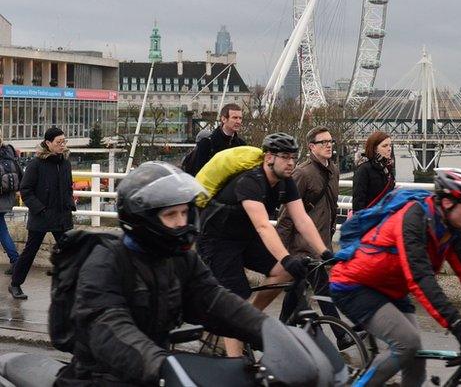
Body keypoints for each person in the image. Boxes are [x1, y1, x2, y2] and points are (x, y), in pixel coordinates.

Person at [55, 161, 269, 386]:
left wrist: (269, 330)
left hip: (155, 373)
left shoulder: (180, 260)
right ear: (142, 219)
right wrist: (163, 367)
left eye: (185, 212)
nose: (181, 223)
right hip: (101, 376)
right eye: (171, 215)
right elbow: (110, 329)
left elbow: (214, 300)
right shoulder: (105, 263)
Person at [329, 168, 461, 387]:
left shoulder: (451, 229)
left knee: (415, 354)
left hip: (392, 290)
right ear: (448, 203)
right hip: (355, 286)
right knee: (406, 345)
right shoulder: (413, 218)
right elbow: (420, 278)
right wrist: (456, 324)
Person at [196, 132, 330, 357]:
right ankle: (234, 362)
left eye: (293, 157)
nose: (290, 163)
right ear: (269, 157)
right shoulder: (250, 181)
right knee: (235, 297)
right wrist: (286, 257)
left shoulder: (286, 183)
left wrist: (324, 252)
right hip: (217, 240)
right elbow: (263, 227)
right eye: (285, 157)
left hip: (245, 239)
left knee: (284, 273)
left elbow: (302, 220)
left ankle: (245, 320)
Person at [276, 126, 340, 322]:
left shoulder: (334, 170)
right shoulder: (302, 173)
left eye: (330, 141)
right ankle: (342, 335)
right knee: (322, 287)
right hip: (303, 244)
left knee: (297, 290)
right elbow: (287, 215)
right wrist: (281, 250)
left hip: (321, 239)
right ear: (312, 146)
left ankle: (280, 328)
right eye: (323, 142)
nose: (328, 145)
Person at [8, 127, 73, 300]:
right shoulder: (36, 164)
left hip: (62, 215)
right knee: (30, 251)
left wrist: (70, 204)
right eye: (58, 142)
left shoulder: (65, 162)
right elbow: (26, 190)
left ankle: (69, 286)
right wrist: (40, 209)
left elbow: (68, 187)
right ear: (48, 143)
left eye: (64, 141)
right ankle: (15, 284)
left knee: (70, 251)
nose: (62, 145)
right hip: (41, 215)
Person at [187, 103, 245, 175]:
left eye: (240, 118)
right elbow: (197, 173)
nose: (238, 121)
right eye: (235, 118)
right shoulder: (206, 144)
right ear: (224, 119)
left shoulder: (242, 145)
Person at [352, 131, 395, 213]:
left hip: (385, 218)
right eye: (384, 146)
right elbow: (358, 203)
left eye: (390, 145)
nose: (389, 149)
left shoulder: (387, 169)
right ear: (375, 149)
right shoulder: (364, 170)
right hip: (370, 219)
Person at [0, 139, 22, 275]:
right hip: (7, 197)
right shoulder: (8, 150)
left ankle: (16, 261)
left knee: (2, 231)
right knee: (2, 230)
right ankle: (15, 261)